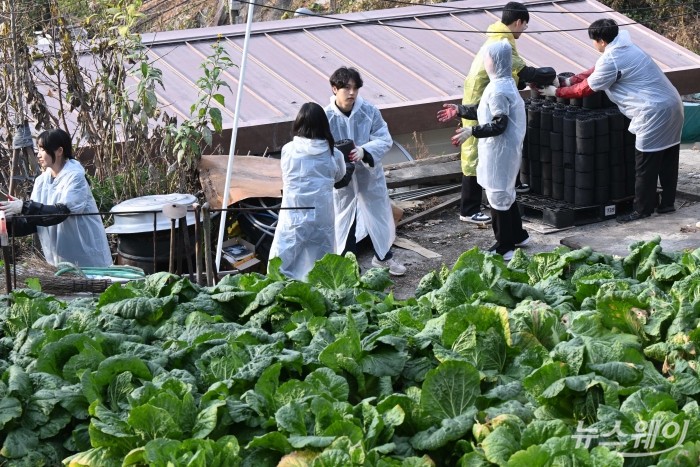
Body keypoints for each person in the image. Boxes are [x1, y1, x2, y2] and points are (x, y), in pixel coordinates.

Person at [540, 18, 684, 223]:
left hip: (652, 111)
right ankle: (667, 203)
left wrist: (558, 91)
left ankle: (642, 209)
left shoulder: (613, 58)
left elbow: (588, 89)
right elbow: (596, 69)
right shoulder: (626, 47)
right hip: (672, 104)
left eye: (593, 40)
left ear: (600, 41)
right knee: (669, 156)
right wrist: (571, 79)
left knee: (646, 163)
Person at [443, 1, 556, 224]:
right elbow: (523, 70)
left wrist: (524, 81)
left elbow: (514, 72)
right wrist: (548, 76)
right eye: (524, 26)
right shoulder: (502, 41)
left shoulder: (501, 36)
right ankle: (469, 209)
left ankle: (509, 185)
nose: (524, 30)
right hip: (482, 97)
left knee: (502, 143)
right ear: (518, 22)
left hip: (488, 94)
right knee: (476, 154)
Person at [442, 40, 529, 261]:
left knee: (498, 195)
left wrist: (471, 132)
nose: (484, 61)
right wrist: (459, 110)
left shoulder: (499, 90)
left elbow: (499, 124)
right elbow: (484, 111)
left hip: (500, 151)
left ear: (495, 61)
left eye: (487, 58)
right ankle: (518, 235)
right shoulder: (502, 83)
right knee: (506, 193)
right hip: (503, 150)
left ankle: (504, 245)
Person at [325, 66, 406, 276]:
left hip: (369, 174)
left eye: (355, 88)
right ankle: (349, 265)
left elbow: (384, 138)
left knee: (379, 214)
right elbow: (321, 147)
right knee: (344, 218)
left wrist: (365, 151)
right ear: (335, 89)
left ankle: (384, 257)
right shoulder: (326, 117)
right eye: (346, 88)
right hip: (343, 178)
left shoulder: (369, 111)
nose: (352, 93)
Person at [0, 128, 112, 267]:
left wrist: (24, 206)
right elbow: (37, 219)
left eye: (42, 149)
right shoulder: (42, 181)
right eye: (38, 149)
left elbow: (60, 213)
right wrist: (6, 224)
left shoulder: (75, 177)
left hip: (85, 255)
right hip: (59, 257)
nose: (38, 155)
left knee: (93, 286)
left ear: (59, 151)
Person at [268, 102, 347, 280]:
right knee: (322, 263)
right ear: (324, 125)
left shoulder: (287, 150)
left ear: (299, 124)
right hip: (322, 215)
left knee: (283, 260)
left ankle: (282, 298)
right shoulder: (334, 154)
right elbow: (339, 176)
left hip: (293, 213)